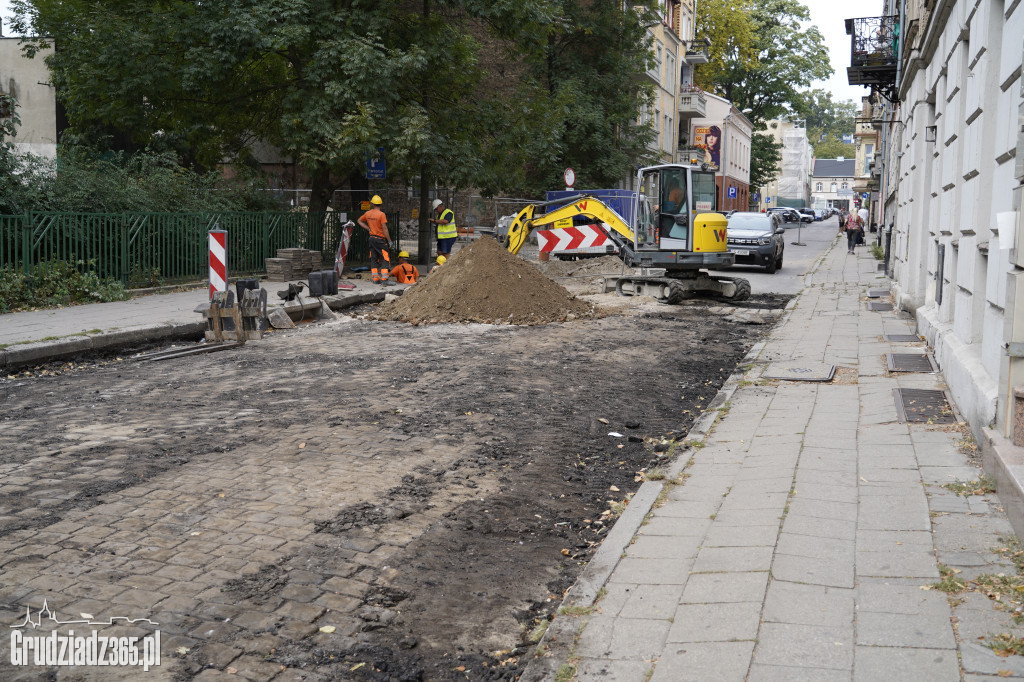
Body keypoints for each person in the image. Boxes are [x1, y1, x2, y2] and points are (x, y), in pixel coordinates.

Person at [357, 195, 392, 283]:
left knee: (374, 258)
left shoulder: (368, 213)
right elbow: (385, 229)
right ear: (380, 204)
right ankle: (384, 279)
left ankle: (375, 279)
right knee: (385, 258)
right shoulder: (381, 214)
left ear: (373, 204)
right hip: (380, 240)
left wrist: (368, 228)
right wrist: (390, 240)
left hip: (371, 239)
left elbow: (359, 221)